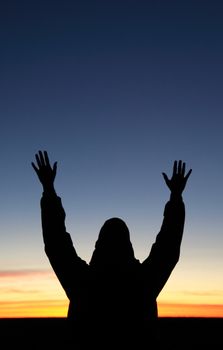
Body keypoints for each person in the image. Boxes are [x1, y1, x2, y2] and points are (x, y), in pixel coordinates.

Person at [32, 151, 192, 349]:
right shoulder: (143, 283)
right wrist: (176, 197)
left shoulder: (83, 282)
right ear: (129, 247)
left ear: (98, 246)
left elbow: (57, 244)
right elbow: (168, 247)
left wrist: (48, 190)